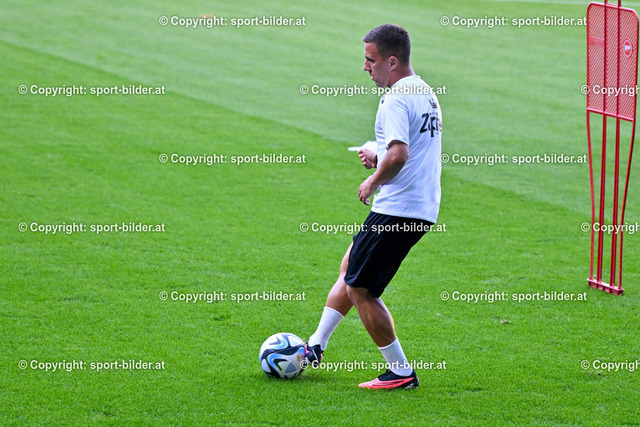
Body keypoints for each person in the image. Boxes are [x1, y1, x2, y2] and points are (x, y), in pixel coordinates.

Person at [304, 23, 442, 390]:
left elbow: (399, 155)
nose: (365, 67)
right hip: (417, 205)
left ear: (391, 61)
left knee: (361, 289)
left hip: (399, 209)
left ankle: (400, 372)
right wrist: (377, 154)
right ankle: (316, 344)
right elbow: (408, 150)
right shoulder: (425, 91)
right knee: (350, 268)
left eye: (371, 60)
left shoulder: (395, 98)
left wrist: (373, 180)